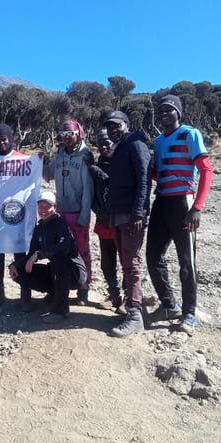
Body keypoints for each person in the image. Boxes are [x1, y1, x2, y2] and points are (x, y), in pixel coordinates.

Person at [146, 95, 213, 336]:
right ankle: (169, 305)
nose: (164, 113)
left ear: (178, 113)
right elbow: (159, 174)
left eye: (169, 109)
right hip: (161, 202)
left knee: (187, 261)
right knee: (153, 257)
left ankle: (189, 313)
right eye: (161, 110)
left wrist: (197, 207)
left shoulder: (190, 134)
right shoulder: (157, 142)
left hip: (183, 202)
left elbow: (206, 170)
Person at [102, 110, 151, 338]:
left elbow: (144, 180)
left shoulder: (136, 144)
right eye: (109, 126)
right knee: (126, 262)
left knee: (131, 264)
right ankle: (132, 307)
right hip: (117, 214)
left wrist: (139, 214)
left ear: (127, 124)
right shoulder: (120, 147)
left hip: (131, 216)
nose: (113, 129)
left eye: (116, 125)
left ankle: (135, 316)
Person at [8, 191, 87, 322]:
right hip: (56, 272)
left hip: (74, 273)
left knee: (59, 259)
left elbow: (64, 247)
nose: (43, 210)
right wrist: (15, 265)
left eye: (47, 206)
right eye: (41, 206)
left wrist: (39, 254)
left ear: (54, 208)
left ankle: (61, 310)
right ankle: (55, 294)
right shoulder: (39, 228)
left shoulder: (60, 223)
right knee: (20, 272)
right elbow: (31, 253)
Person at [44, 119, 93, 305]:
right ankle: (60, 286)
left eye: (69, 134)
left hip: (77, 211)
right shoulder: (60, 155)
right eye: (63, 135)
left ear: (78, 133)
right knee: (59, 251)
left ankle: (84, 287)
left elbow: (89, 189)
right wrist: (39, 162)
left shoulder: (85, 156)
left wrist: (84, 215)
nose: (66, 138)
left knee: (81, 250)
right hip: (60, 211)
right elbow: (48, 174)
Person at [0, 123, 28, 311]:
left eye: (4, 139)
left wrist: (40, 162)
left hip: (17, 217)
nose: (1, 142)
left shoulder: (24, 160)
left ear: (11, 139)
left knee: (20, 255)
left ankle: (25, 294)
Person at [89, 129, 124, 313]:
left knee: (127, 260)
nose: (103, 147)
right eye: (100, 144)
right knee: (107, 261)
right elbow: (93, 194)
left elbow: (117, 185)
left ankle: (129, 297)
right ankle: (114, 294)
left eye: (107, 143)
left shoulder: (123, 163)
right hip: (103, 221)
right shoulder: (98, 165)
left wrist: (98, 173)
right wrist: (99, 212)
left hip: (122, 222)